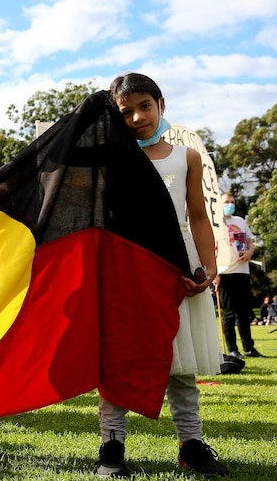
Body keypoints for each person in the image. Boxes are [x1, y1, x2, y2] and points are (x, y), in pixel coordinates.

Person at [95, 73, 228, 478]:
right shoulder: (109, 161)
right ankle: (112, 443)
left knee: (181, 362)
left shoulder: (185, 157)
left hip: (179, 269)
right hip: (127, 271)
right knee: (119, 360)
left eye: (144, 106)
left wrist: (208, 268)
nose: (137, 117)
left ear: (161, 104)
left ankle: (191, 444)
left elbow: (199, 218)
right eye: (126, 112)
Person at [216, 192, 265, 358]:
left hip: (242, 272)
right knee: (229, 314)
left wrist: (250, 252)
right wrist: (214, 273)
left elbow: (250, 242)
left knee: (244, 313)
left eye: (231, 201)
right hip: (225, 273)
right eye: (226, 202)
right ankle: (232, 349)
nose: (229, 204)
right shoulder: (215, 222)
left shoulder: (240, 221)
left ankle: (249, 348)